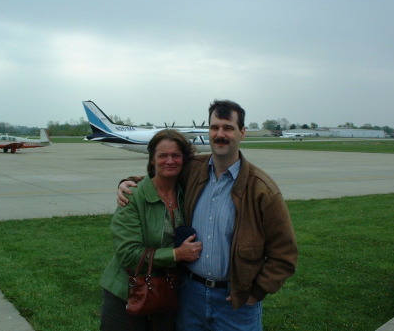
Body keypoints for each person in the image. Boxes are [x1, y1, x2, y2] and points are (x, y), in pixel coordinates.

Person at [118, 100, 298, 331]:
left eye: (228, 127)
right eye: (214, 127)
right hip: (190, 295)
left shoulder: (262, 189)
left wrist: (256, 292)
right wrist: (130, 182)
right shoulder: (194, 169)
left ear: (242, 133)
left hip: (235, 302)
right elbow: (162, 175)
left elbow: (285, 253)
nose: (220, 134)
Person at [100, 129, 203, 331]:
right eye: (162, 155)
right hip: (127, 292)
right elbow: (128, 253)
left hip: (168, 291)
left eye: (176, 155)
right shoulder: (132, 196)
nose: (169, 161)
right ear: (152, 160)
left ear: (184, 159)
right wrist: (176, 254)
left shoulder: (187, 194)